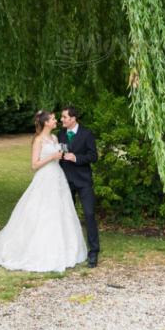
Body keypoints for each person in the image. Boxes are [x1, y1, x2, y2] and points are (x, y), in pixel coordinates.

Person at [0, 110, 87, 272]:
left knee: (60, 211)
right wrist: (52, 156)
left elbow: (59, 154)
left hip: (58, 177)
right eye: (54, 119)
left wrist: (63, 155)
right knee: (41, 211)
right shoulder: (38, 140)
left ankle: (63, 250)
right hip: (45, 178)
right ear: (46, 123)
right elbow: (34, 165)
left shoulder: (54, 138)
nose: (57, 121)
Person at [59, 105, 100, 268]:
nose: (62, 120)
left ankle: (94, 252)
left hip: (83, 181)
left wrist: (76, 158)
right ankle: (68, 250)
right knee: (66, 216)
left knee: (89, 214)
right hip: (65, 181)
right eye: (61, 118)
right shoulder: (60, 134)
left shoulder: (87, 134)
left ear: (73, 118)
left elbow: (93, 156)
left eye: (64, 117)